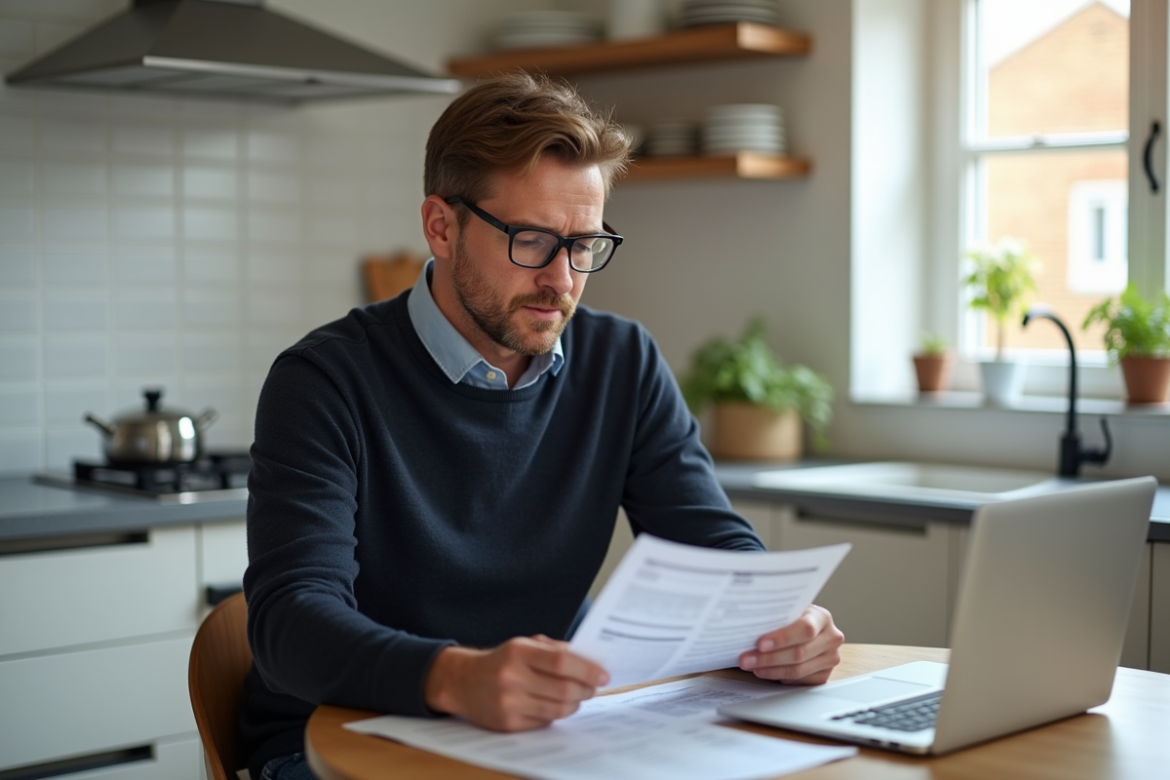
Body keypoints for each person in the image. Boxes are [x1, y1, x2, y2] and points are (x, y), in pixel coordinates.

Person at [240, 72, 844, 780]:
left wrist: (781, 623)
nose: (562, 279)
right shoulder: (325, 380)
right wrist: (452, 677)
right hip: (337, 738)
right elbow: (290, 622)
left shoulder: (623, 360)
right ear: (441, 226)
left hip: (543, 735)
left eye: (584, 243)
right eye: (531, 240)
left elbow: (709, 542)